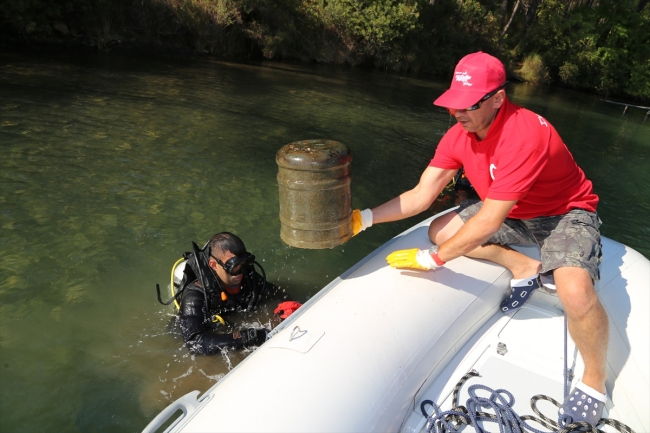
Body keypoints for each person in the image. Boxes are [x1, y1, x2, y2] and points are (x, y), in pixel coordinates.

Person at [350, 52, 607, 426]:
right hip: (514, 213)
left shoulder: (525, 134)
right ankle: (523, 266)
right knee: (441, 229)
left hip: (564, 213)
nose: (457, 114)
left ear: (498, 99)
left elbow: (487, 221)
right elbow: (422, 195)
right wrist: (365, 219)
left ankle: (594, 381)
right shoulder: (460, 135)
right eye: (452, 105)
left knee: (574, 291)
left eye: (467, 105)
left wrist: (434, 259)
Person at [175, 232, 272, 354]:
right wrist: (248, 337)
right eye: (234, 266)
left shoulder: (246, 275)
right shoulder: (194, 295)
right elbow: (194, 343)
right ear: (214, 265)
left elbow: (275, 295)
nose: (241, 271)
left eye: (244, 263)